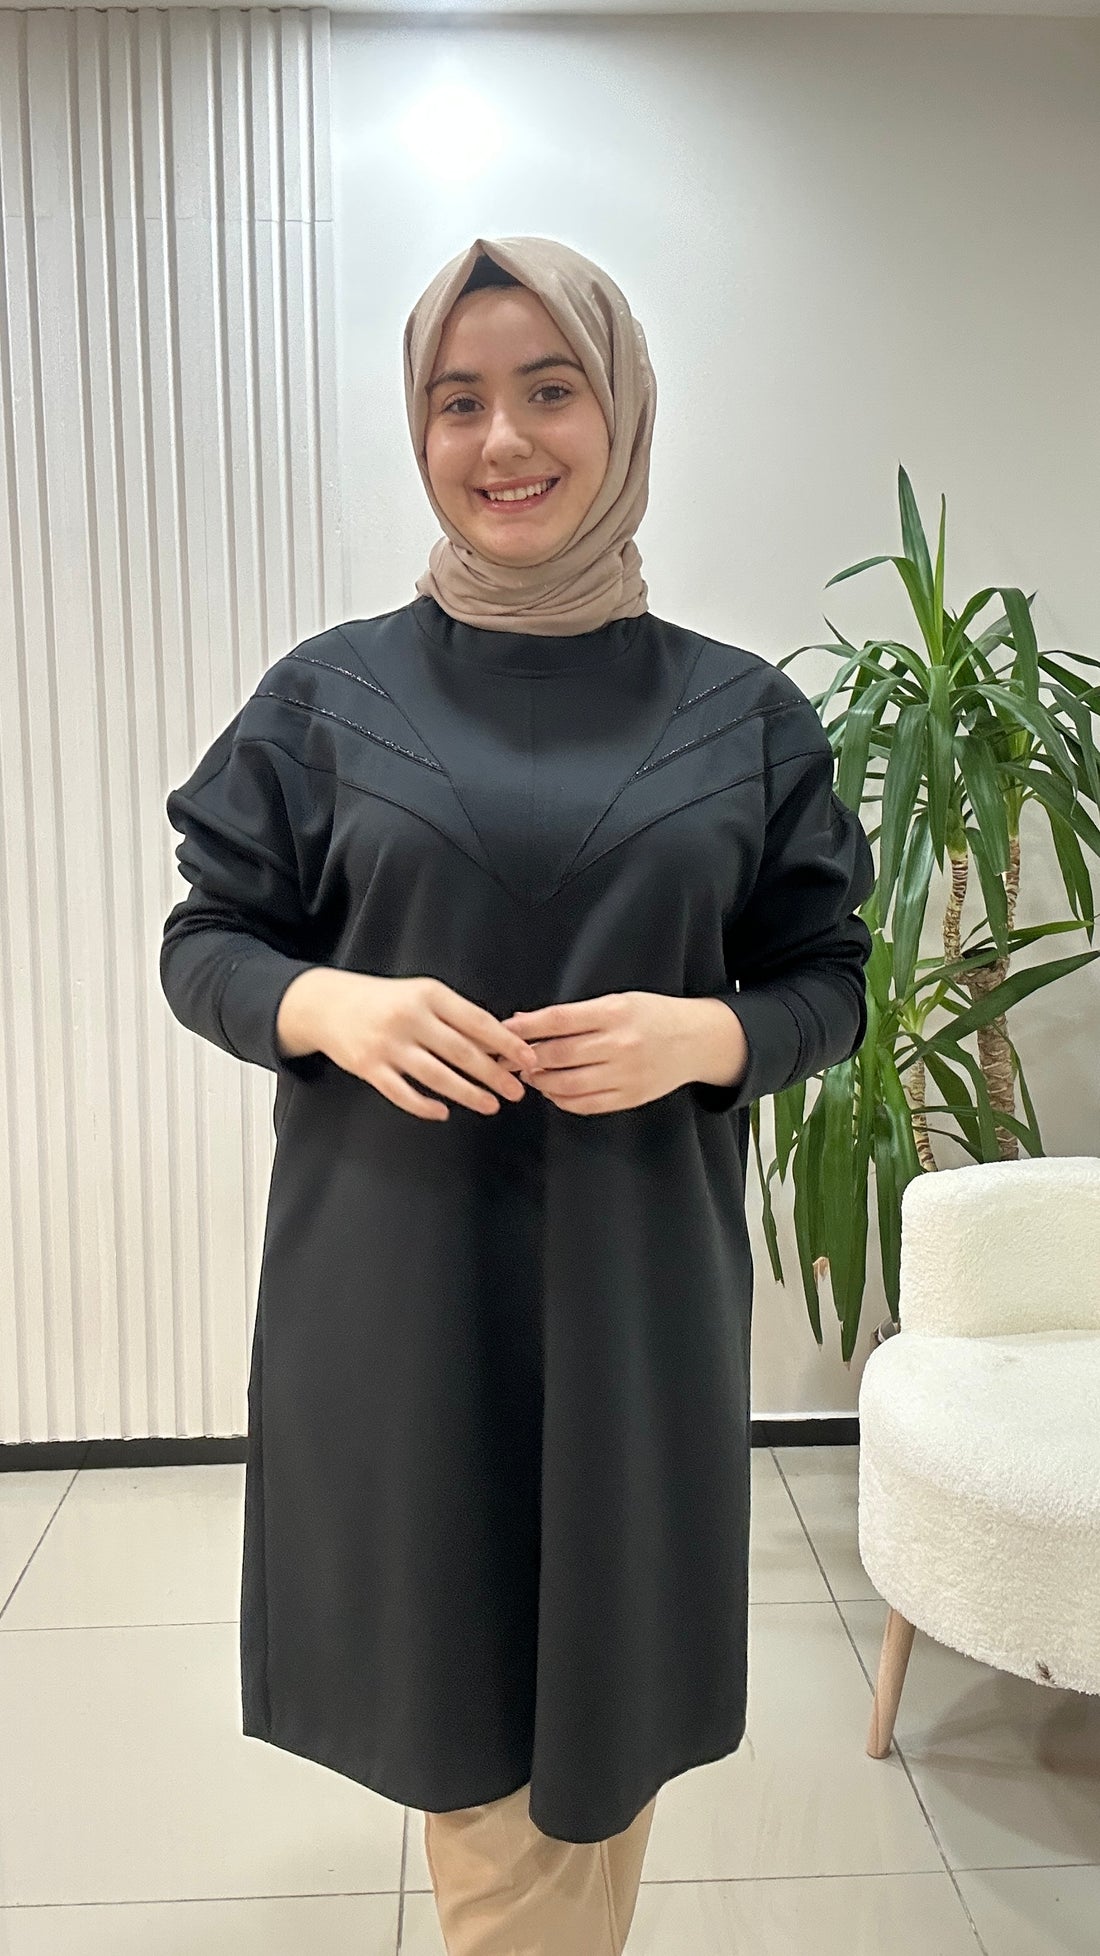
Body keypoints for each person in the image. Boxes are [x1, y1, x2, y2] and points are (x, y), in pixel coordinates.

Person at [159, 235, 876, 1955]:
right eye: (457, 400)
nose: (503, 440)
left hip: (637, 1297)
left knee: (606, 1716)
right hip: (398, 1287)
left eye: (549, 390)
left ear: (621, 411)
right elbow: (209, 942)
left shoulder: (740, 713)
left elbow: (828, 980)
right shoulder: (331, 695)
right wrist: (325, 1001)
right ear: (418, 428)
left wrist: (708, 1040)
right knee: (469, 1725)